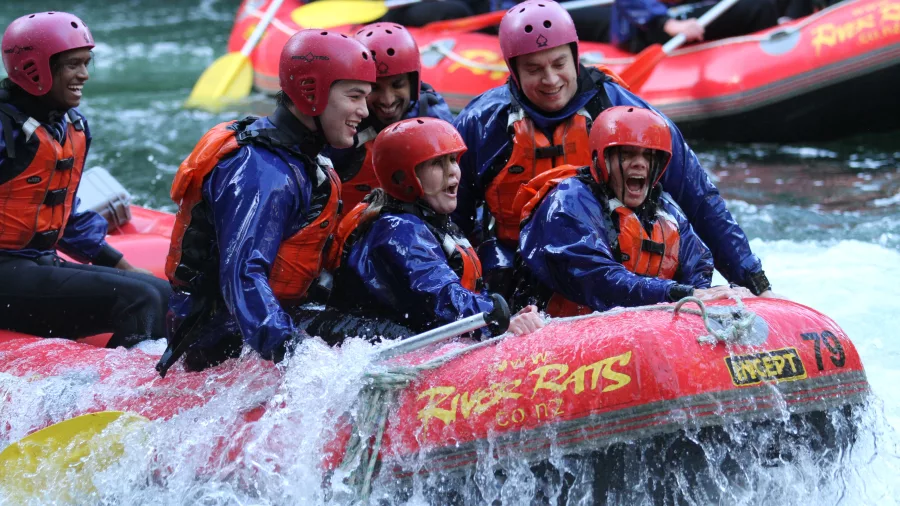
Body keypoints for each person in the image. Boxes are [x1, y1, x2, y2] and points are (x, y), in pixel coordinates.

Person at [452, 0, 776, 302]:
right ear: (514, 70)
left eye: (559, 63)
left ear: (575, 56)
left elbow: (697, 194)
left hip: (622, 266)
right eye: (534, 69)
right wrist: (474, 302)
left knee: (667, 217)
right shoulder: (483, 124)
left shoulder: (617, 106)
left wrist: (752, 279)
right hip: (523, 269)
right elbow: (451, 219)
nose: (550, 79)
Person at [158, 30, 376, 375]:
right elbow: (242, 276)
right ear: (311, 92)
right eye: (355, 96)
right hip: (220, 339)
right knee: (379, 335)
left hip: (263, 322)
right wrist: (295, 354)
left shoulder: (303, 158)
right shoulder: (263, 172)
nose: (364, 110)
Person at [0, 12, 172, 348]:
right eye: (73, 65)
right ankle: (130, 394)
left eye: (86, 63)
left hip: (35, 265)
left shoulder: (68, 127)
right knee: (138, 300)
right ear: (36, 69)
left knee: (161, 293)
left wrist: (123, 266)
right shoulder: (5, 132)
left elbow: (66, 216)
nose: (84, 75)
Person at [516, 106, 751, 316]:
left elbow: (698, 273)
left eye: (649, 156)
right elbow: (598, 282)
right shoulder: (567, 202)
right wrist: (676, 292)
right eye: (626, 154)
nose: (640, 164)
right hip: (554, 332)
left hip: (635, 332)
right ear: (602, 159)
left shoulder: (667, 213)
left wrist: (718, 295)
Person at [325, 117, 544, 337]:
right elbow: (443, 298)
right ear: (402, 177)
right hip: (376, 344)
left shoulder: (431, 220)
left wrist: (509, 314)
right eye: (437, 163)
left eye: (453, 160)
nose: (453, 172)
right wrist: (498, 320)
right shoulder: (397, 229)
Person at [325, 22, 453, 212]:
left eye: (397, 84)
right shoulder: (341, 123)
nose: (387, 100)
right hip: (349, 233)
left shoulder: (435, 118)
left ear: (413, 82)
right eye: (375, 88)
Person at [610, 0, 817, 53]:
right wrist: (668, 24)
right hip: (653, 23)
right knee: (759, 8)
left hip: (699, 6)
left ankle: (800, 35)